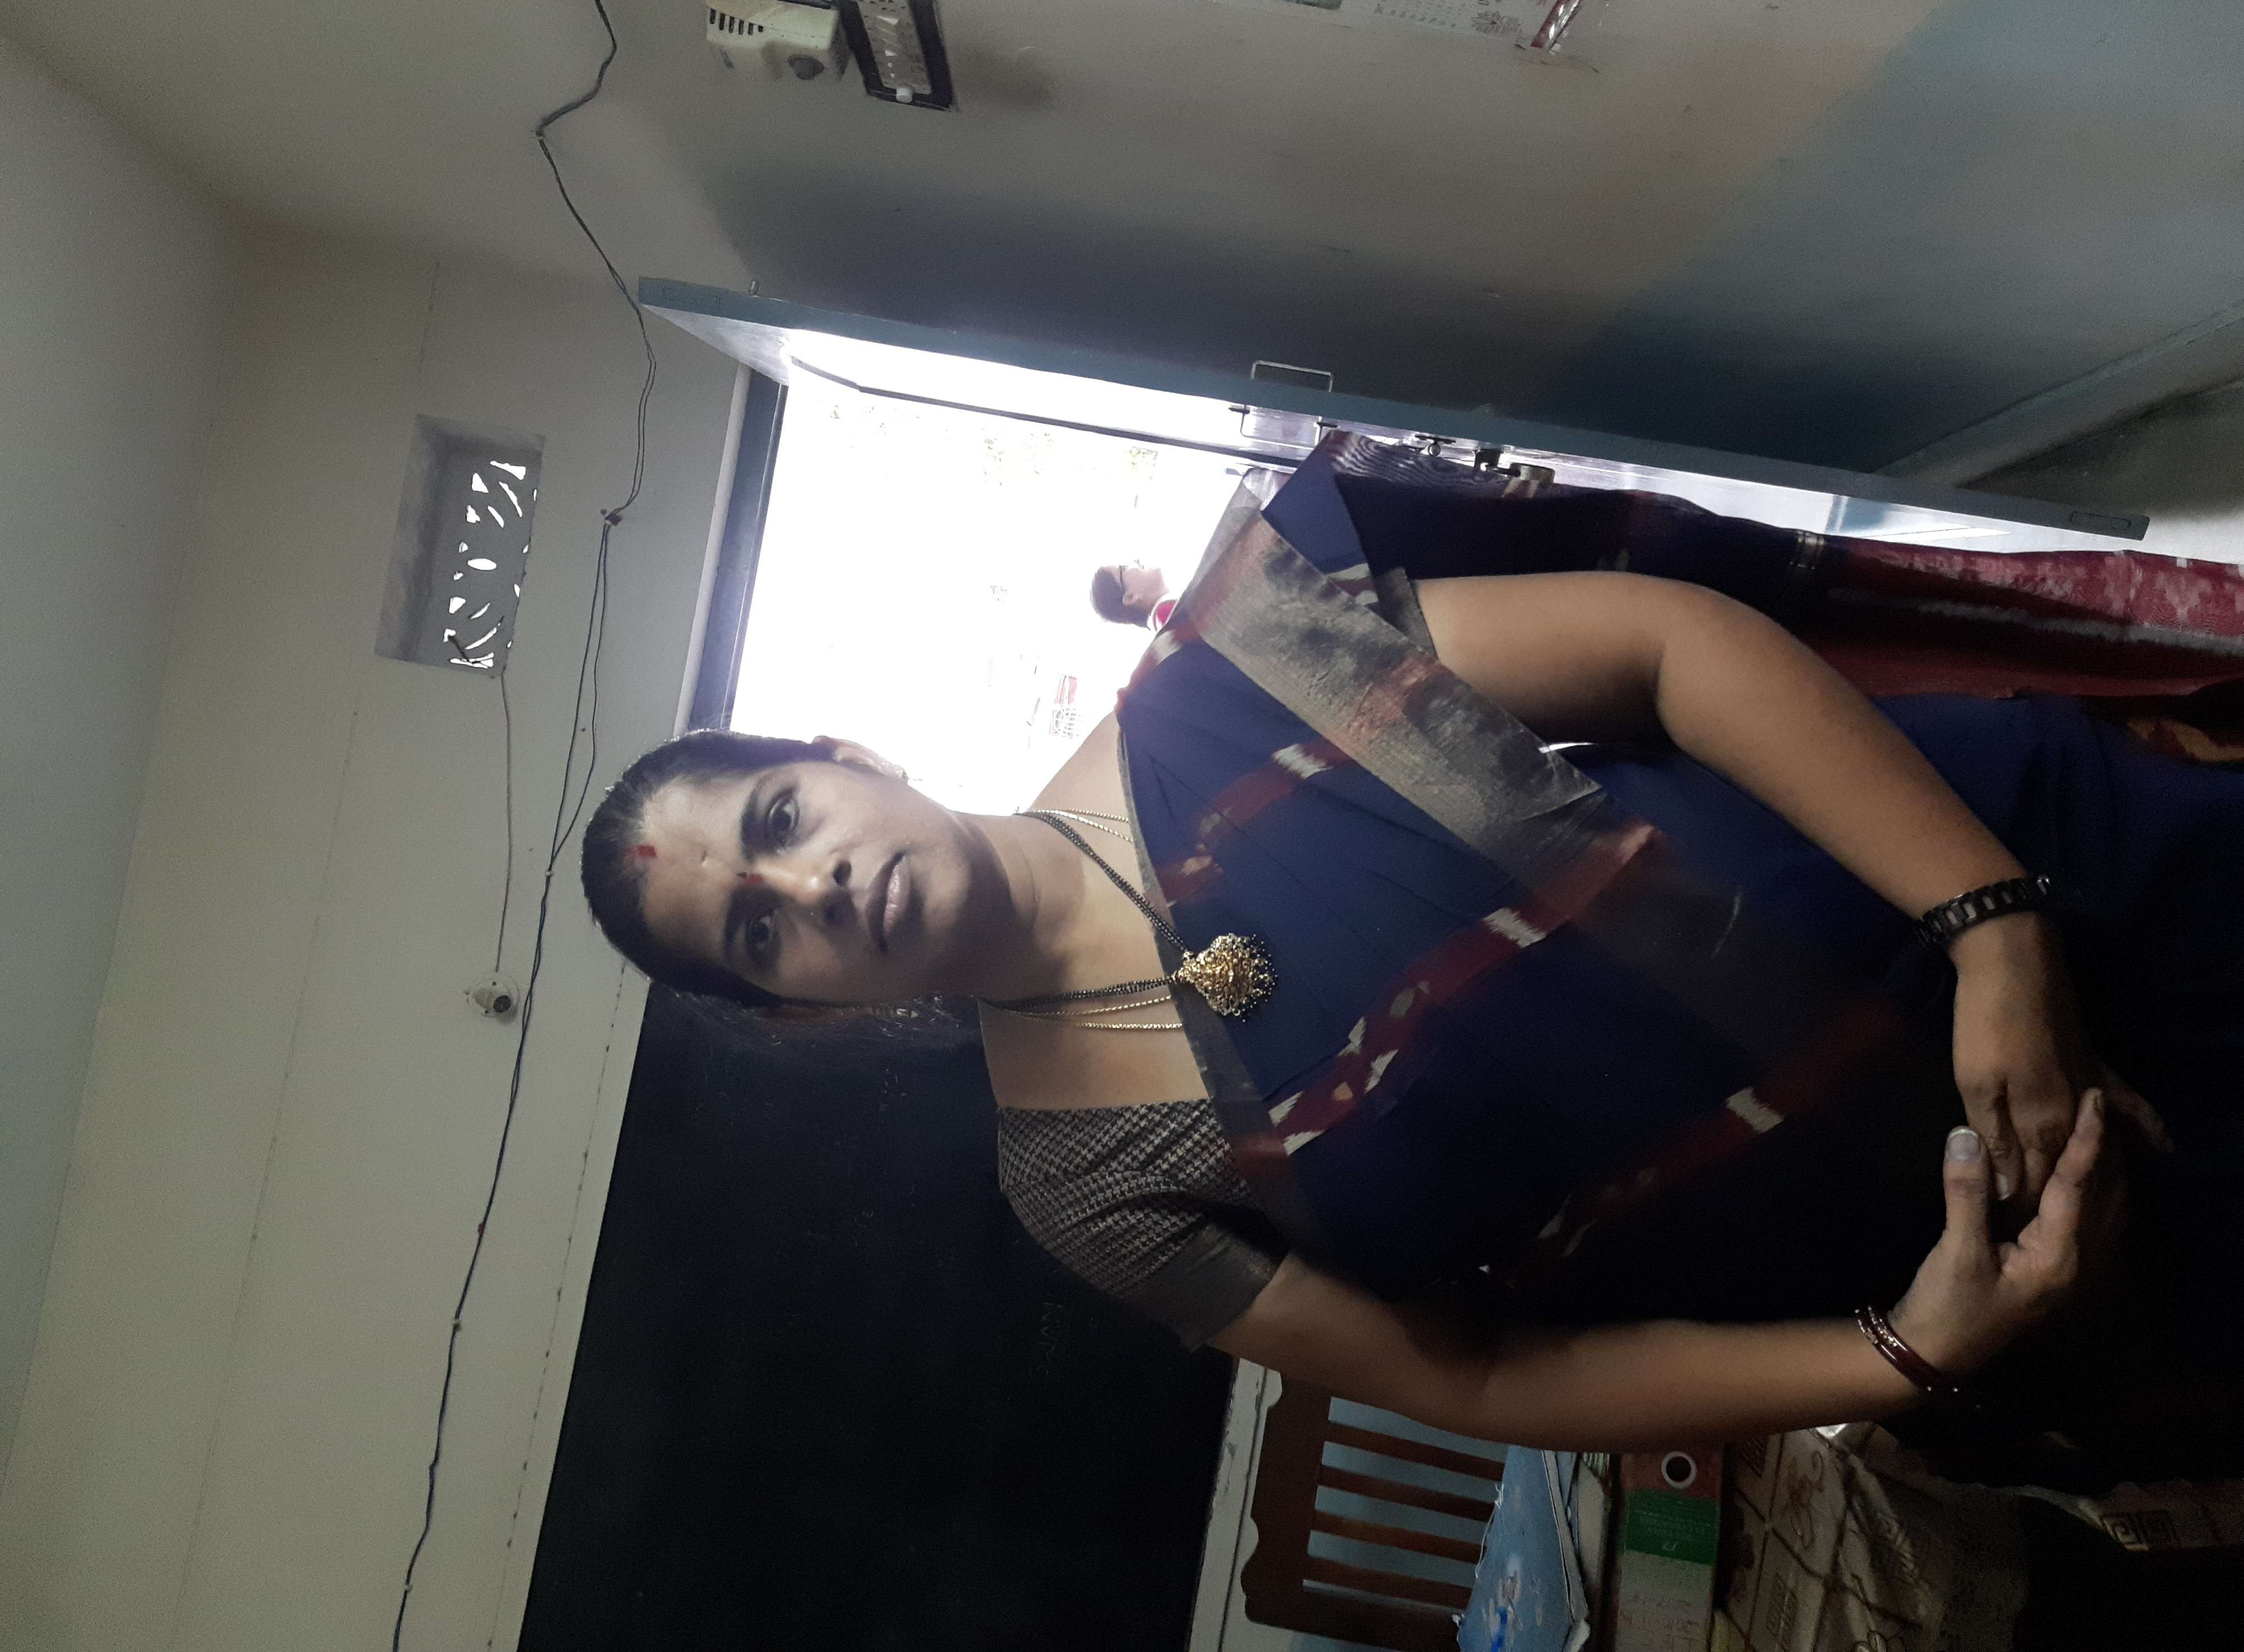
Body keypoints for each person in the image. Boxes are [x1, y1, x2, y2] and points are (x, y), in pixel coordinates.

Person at [583, 437, 2244, 1483]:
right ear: (793, 1013)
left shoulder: (1232, 672)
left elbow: (1664, 653)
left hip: (2067, 897)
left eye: (780, 815)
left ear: (847, 754)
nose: (809, 882)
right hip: (1992, 1248)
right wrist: (1904, 1352)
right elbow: (1478, 1373)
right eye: (756, 927)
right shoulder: (1087, 1180)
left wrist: (1988, 927)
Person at [1089, 562, 1174, 631]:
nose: (1137, 562)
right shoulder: (1168, 617)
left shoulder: (1163, 621)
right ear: (1130, 597)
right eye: (1124, 568)